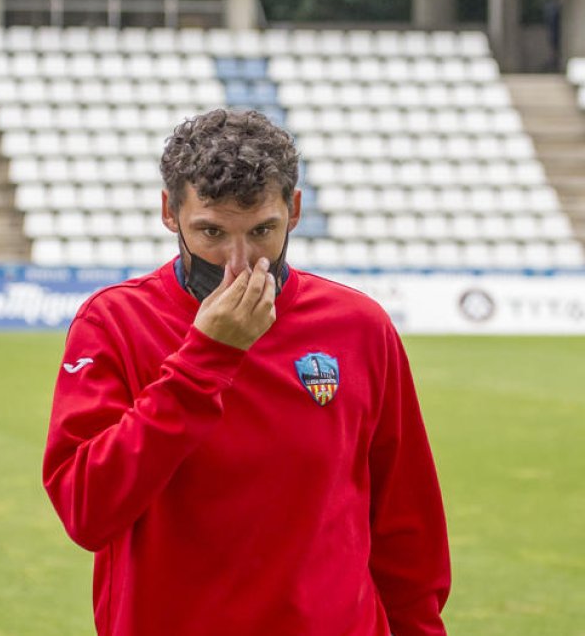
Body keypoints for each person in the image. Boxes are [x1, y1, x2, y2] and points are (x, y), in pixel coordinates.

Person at [43, 109, 450, 635]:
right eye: (211, 232)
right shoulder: (115, 323)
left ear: (295, 211)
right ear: (170, 213)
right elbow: (86, 510)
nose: (238, 263)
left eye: (262, 231)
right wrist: (205, 359)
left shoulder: (358, 326)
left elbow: (407, 528)